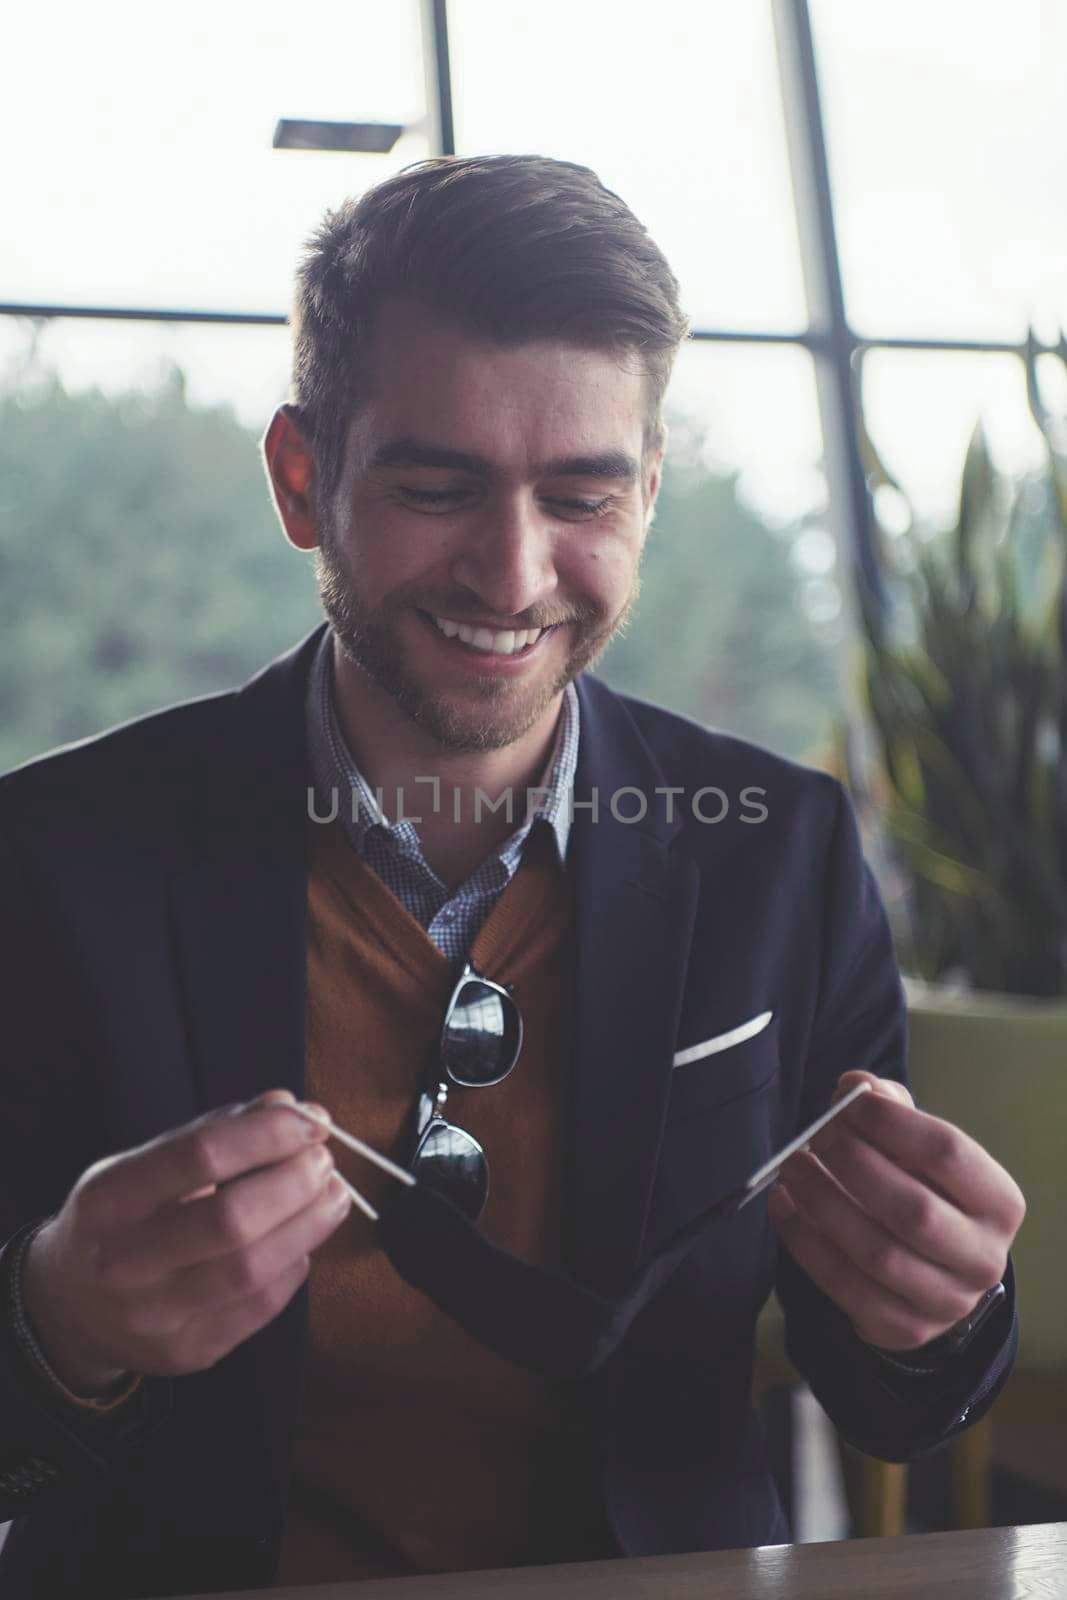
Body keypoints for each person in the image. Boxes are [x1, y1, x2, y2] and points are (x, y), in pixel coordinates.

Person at [0, 155, 1024, 1598]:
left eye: (584, 497)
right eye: (438, 485)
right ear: (305, 480)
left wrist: (944, 1309)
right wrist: (61, 1320)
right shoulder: (52, 860)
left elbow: (895, 1401)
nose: (514, 571)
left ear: (650, 494)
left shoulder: (777, 850)